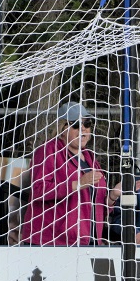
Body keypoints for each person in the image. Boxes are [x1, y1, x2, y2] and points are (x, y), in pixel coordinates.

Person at [21, 101, 116, 246]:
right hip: (51, 242)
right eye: (76, 125)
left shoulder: (90, 158)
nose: (83, 129)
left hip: (87, 242)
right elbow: (38, 190)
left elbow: (97, 203)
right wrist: (77, 184)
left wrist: (113, 196)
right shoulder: (47, 151)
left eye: (87, 124)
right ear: (62, 129)